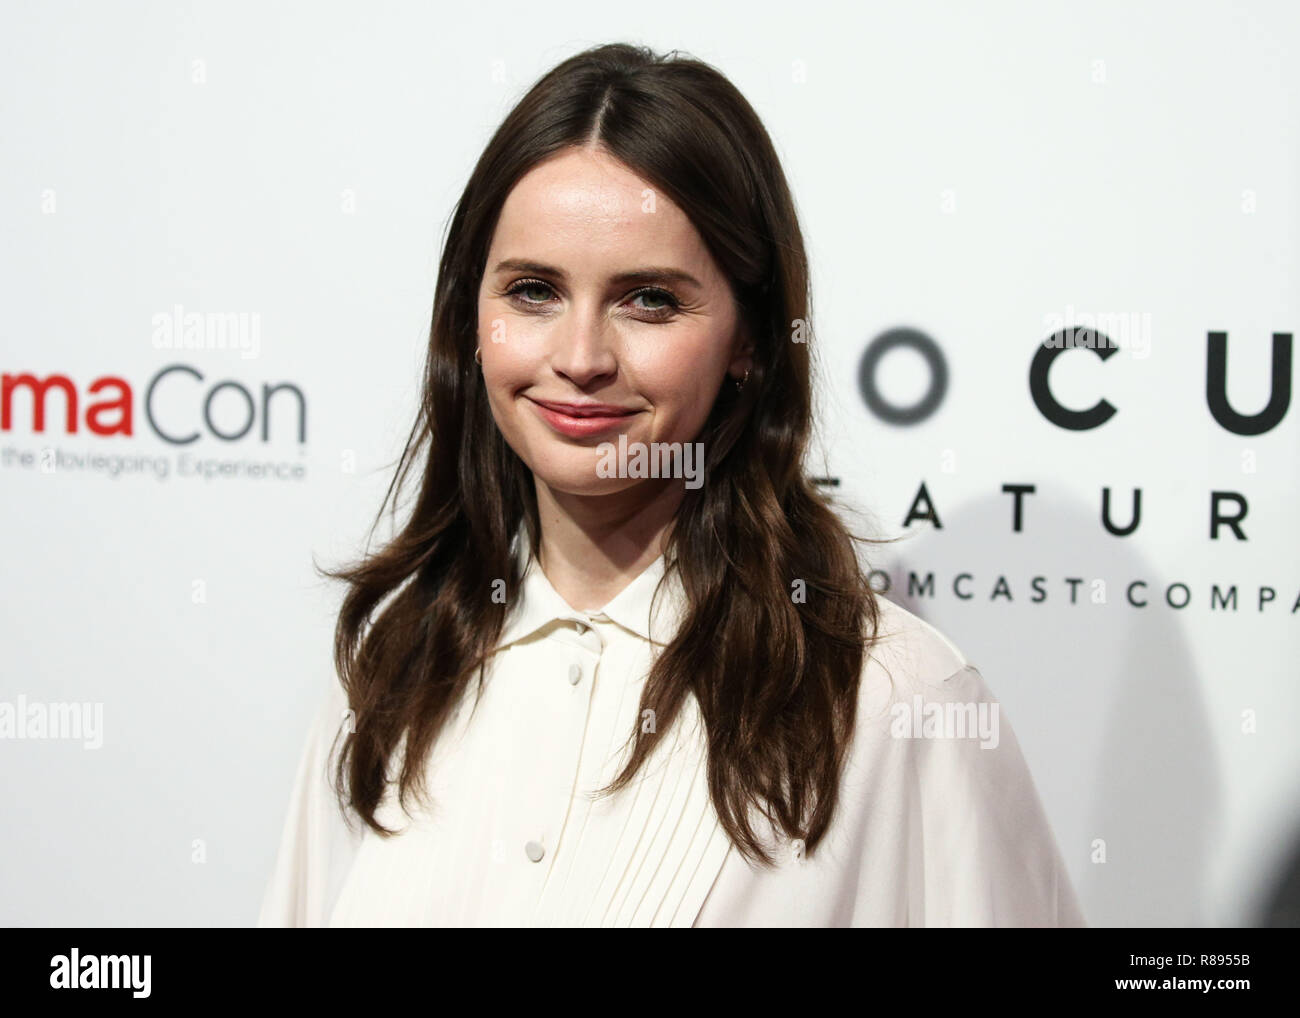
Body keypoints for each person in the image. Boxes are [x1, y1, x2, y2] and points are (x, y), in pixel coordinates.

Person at [257, 41, 1085, 927]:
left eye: (648, 299)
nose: (580, 359)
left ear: (752, 340)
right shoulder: (400, 666)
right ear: (471, 318)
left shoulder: (895, 701)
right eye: (533, 291)